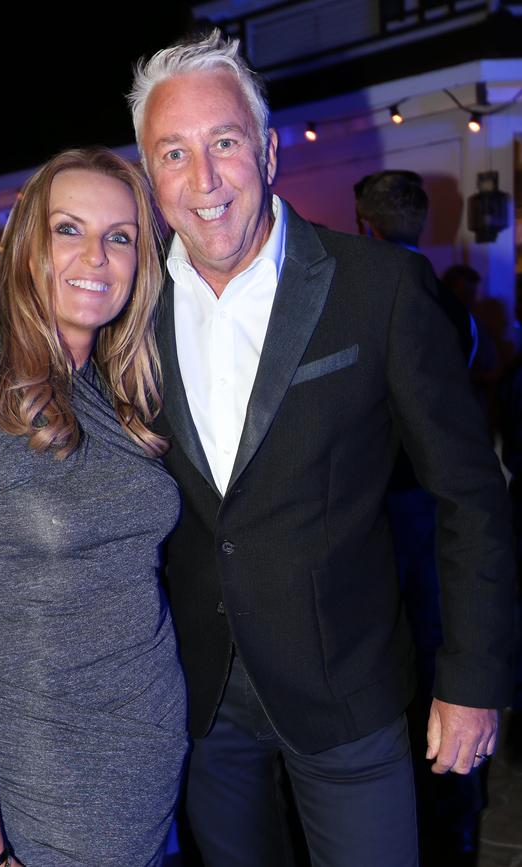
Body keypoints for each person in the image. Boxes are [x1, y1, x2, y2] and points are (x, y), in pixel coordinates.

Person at [127, 29, 516, 867]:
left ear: (267, 151)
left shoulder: (378, 289)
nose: (204, 180)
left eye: (224, 142)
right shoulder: (130, 317)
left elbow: (470, 495)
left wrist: (473, 677)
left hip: (351, 690)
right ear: (150, 177)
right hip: (202, 699)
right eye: (173, 153)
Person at [0, 147, 188, 867]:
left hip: (154, 754)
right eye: (69, 229)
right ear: (29, 249)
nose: (97, 254)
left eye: (120, 235)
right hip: (55, 772)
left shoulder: (122, 394)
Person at [355, 170, 486, 865]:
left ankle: (439, 818)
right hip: (438, 511)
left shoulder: (374, 294)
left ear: (363, 224)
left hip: (398, 512)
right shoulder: (453, 300)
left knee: (415, 668)